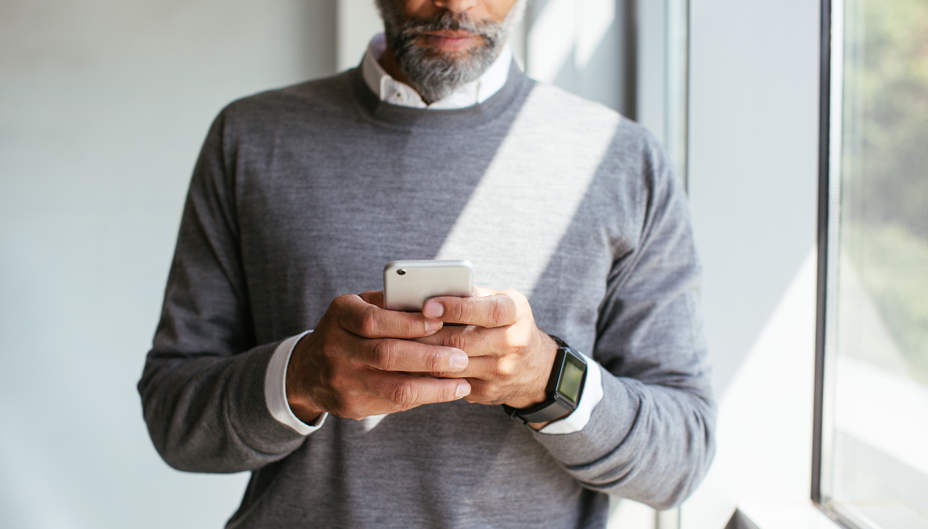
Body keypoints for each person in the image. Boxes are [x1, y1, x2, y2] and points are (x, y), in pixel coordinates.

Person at [138, 0, 717, 527]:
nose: (456, 4)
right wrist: (304, 377)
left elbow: (681, 459)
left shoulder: (622, 160)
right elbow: (173, 419)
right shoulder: (250, 138)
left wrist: (545, 377)